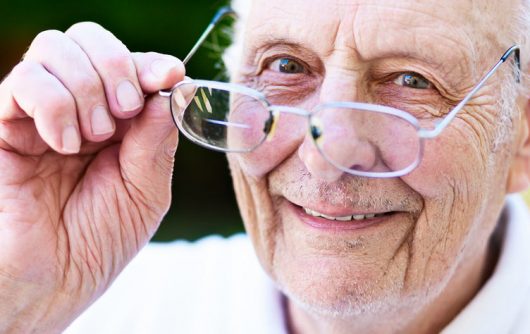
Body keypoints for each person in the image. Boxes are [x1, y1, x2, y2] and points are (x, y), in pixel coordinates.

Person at [0, 0, 529, 333]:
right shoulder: (109, 310)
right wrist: (22, 300)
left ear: (522, 142)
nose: (325, 157)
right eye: (287, 67)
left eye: (412, 81)